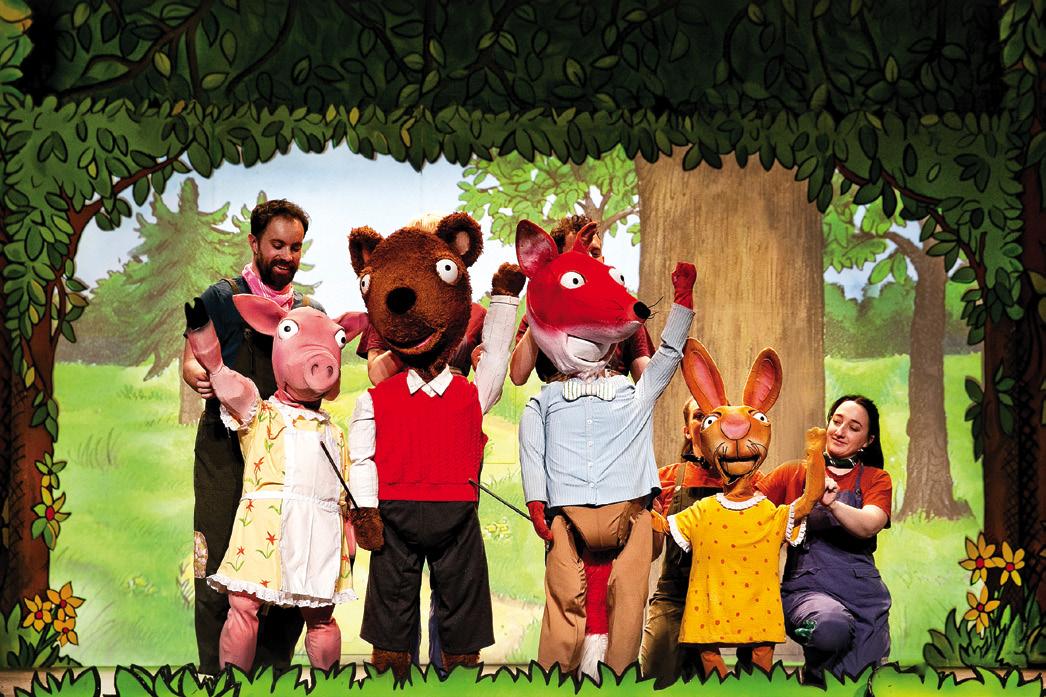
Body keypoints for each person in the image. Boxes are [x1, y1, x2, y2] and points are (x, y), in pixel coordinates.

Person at [182, 199, 320, 674]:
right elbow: (191, 359)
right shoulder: (221, 299)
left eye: (295, 247)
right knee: (217, 561)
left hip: (285, 457)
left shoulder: (309, 311)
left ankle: (271, 674)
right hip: (224, 452)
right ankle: (215, 675)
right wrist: (199, 376)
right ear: (254, 243)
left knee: (284, 563)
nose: (287, 255)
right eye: (277, 245)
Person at [757, 394, 892, 685]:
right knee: (830, 627)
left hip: (864, 595)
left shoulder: (876, 478)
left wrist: (832, 504)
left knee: (863, 683)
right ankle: (815, 670)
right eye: (837, 421)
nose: (840, 431)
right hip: (807, 591)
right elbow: (750, 510)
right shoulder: (793, 473)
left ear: (868, 440)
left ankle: (819, 676)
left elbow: (870, 524)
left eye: (854, 428)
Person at [639, 398, 733, 686]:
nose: (707, 423)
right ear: (686, 429)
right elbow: (651, 551)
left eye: (715, 416)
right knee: (654, 676)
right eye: (699, 416)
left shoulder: (746, 484)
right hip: (675, 596)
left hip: (726, 600)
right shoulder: (665, 480)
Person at [509, 214, 652, 386]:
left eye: (595, 253)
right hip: (558, 400)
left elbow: (647, 381)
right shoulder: (534, 317)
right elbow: (518, 376)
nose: (589, 261)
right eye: (577, 256)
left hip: (611, 398)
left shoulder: (624, 313)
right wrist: (541, 315)